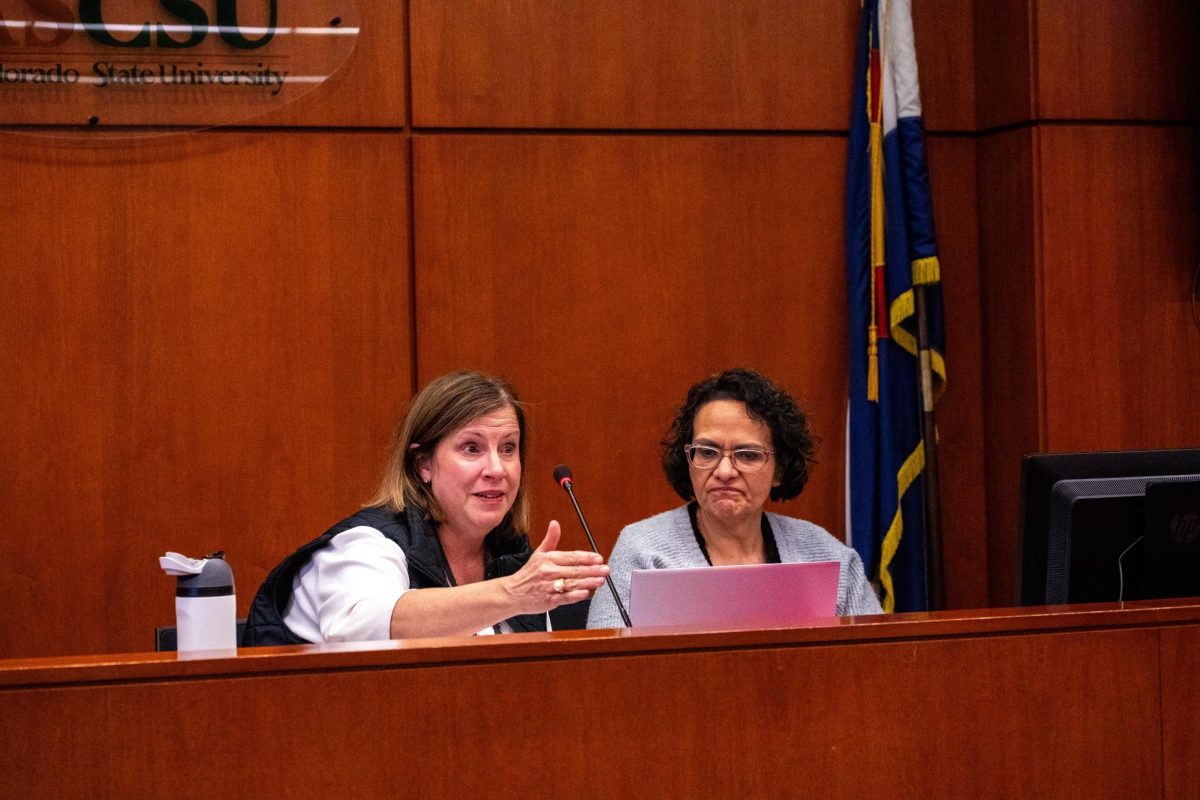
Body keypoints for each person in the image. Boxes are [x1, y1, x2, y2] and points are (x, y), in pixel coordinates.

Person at [243, 371, 609, 645]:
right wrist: (514, 593)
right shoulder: (365, 546)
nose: (497, 469)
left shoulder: (511, 555)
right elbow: (367, 629)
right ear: (424, 466)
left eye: (509, 448)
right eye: (471, 448)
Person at [587, 368, 882, 629]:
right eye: (707, 452)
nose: (724, 471)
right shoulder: (642, 551)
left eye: (748, 455)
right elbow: (601, 668)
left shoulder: (829, 556)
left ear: (780, 469)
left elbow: (876, 663)